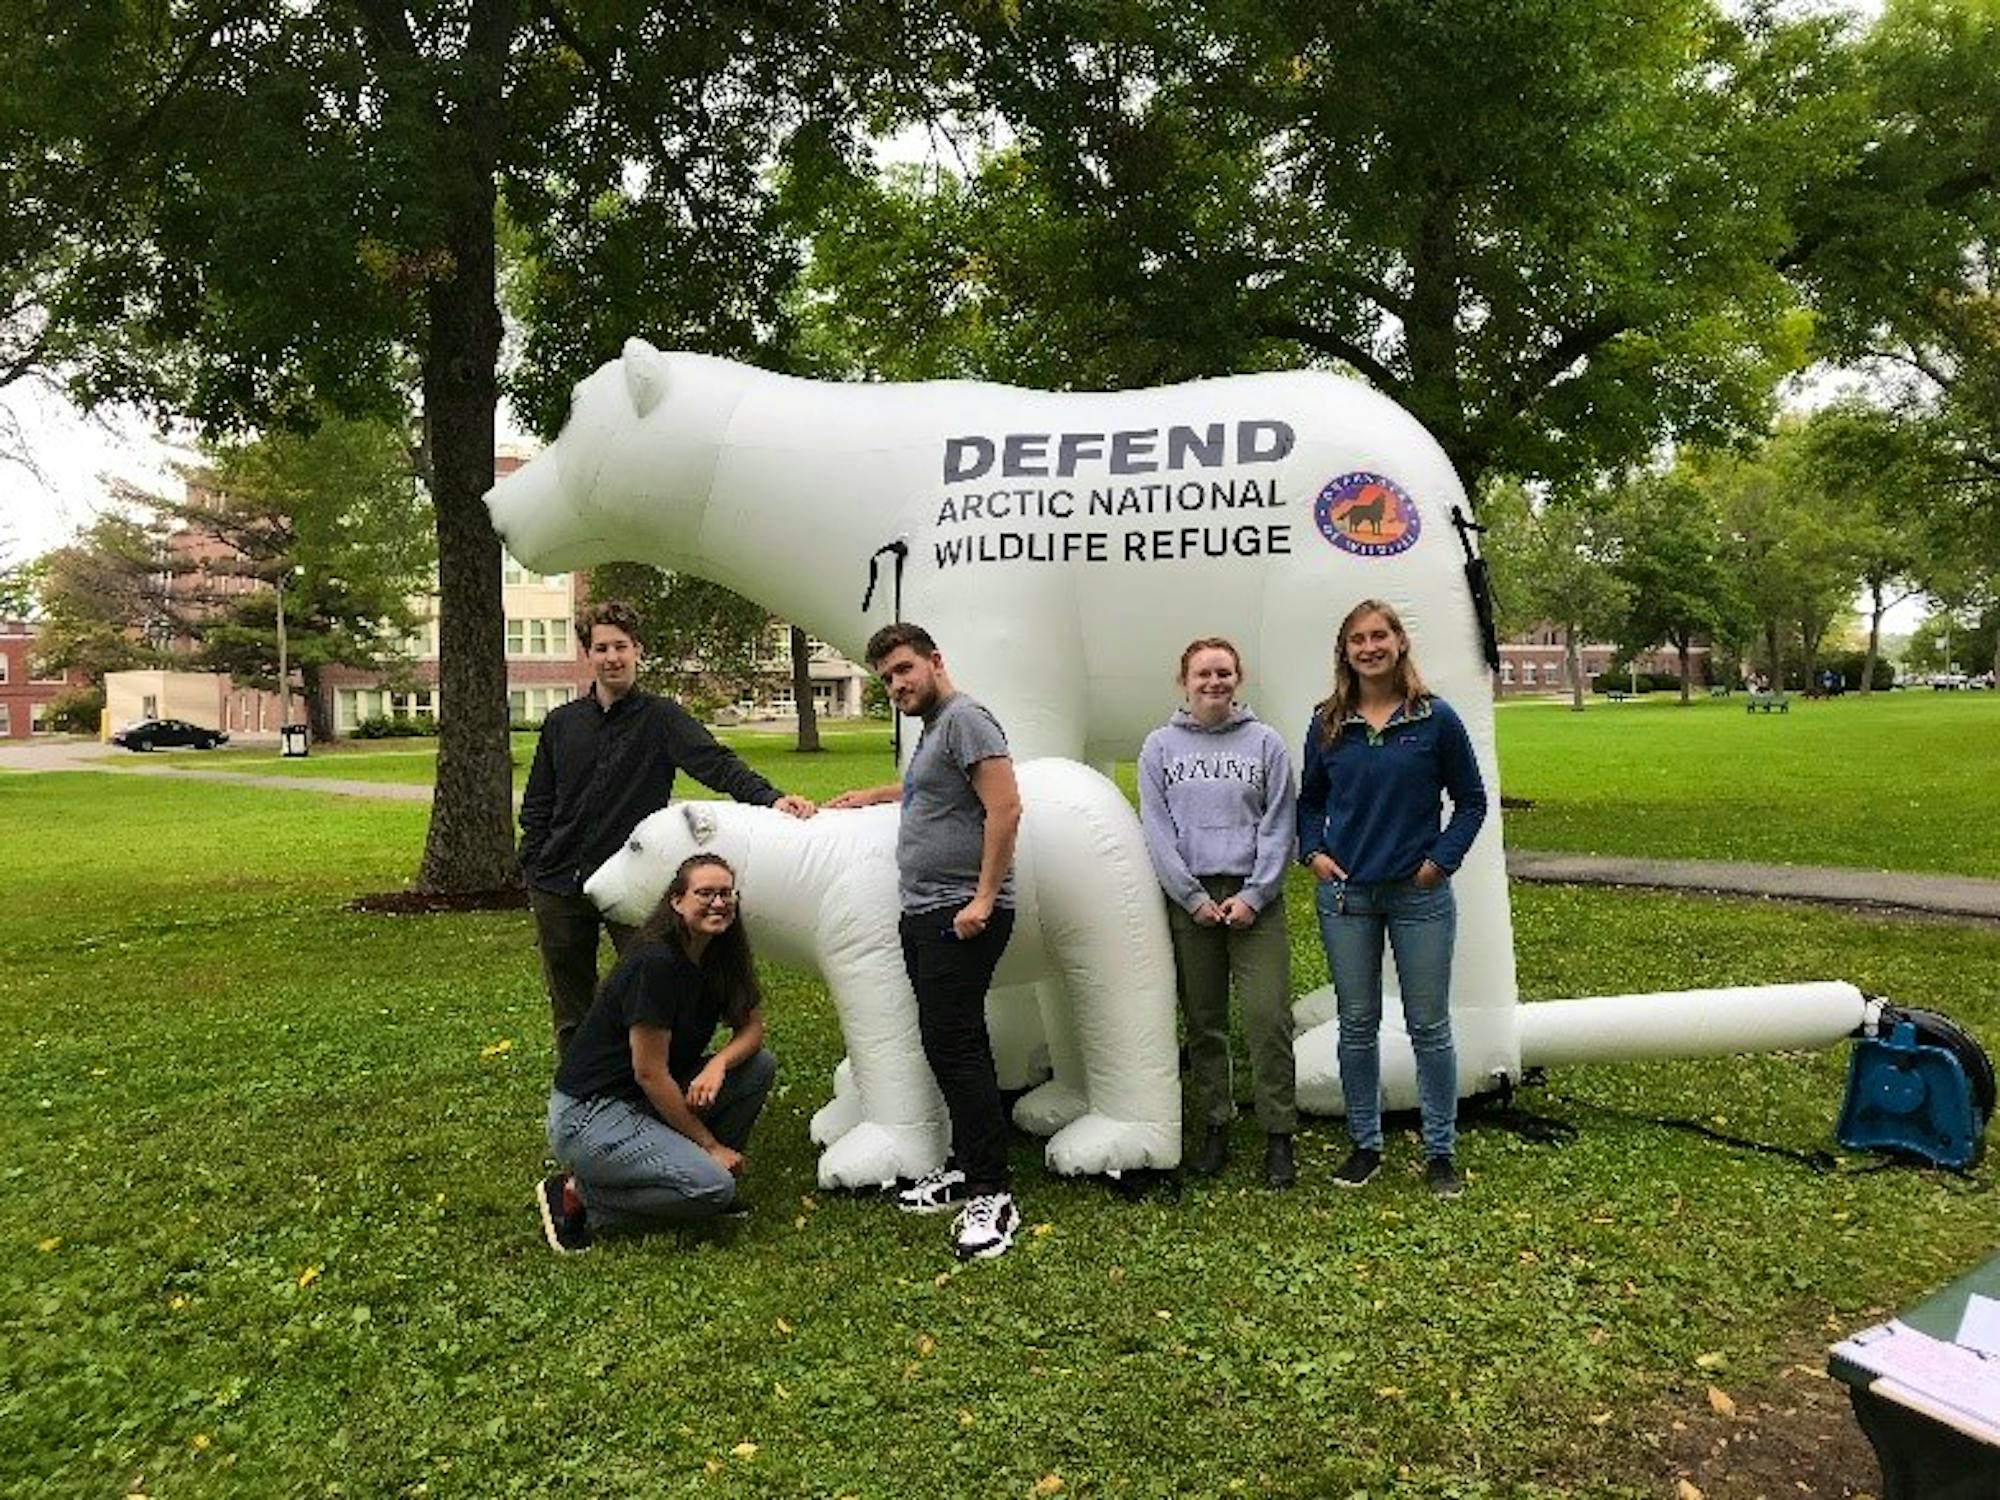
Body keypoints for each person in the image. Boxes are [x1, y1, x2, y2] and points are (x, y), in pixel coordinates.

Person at [520, 599, 814, 1062]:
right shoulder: (562, 723)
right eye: (601, 648)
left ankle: (660, 1086)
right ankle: (581, 1097)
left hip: (628, 882)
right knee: (571, 1008)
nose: (612, 656)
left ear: (637, 650)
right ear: (588, 654)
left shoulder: (661, 718)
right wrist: (532, 862)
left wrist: (771, 798)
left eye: (621, 646)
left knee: (650, 994)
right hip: (558, 883)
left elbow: (716, 764)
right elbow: (538, 800)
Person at [827, 623, 1024, 1261]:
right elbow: (939, 793)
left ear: (936, 662)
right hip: (926, 910)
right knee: (945, 1039)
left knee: (956, 1041)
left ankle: (992, 1189)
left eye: (905, 670)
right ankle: (970, 1166)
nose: (897, 685)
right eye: (886, 679)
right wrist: (879, 796)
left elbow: (1005, 807)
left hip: (959, 912)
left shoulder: (966, 718)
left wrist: (984, 899)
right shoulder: (936, 730)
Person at [1297, 599, 1487, 1200]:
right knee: (1357, 1025)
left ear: (1400, 643)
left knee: (1429, 1026)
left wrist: (1439, 863)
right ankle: (1365, 1144)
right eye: (1358, 638)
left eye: (1380, 635)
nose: (1369, 646)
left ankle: (1440, 1151)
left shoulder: (1436, 719)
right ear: (1345, 651)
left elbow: (1472, 800)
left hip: (1418, 896)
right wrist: (1313, 853)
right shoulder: (1328, 722)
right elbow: (1309, 801)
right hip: (1348, 896)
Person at [537, 852, 777, 1253]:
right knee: (712, 1190)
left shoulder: (722, 952)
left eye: (725, 893)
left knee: (756, 1067)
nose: (718, 903)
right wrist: (709, 1145)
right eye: (705, 894)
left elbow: (752, 1028)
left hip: (642, 1101)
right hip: (590, 1114)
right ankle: (579, 1197)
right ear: (677, 902)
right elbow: (650, 1073)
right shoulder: (655, 964)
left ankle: (697, 1175)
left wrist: (718, 1064)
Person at [1138, 637, 1299, 1187]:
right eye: (1203, 673)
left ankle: (1279, 1133)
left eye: (1224, 673)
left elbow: (1280, 825)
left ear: (1238, 679)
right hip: (1191, 901)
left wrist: (1255, 894)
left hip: (1258, 900)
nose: (1214, 682)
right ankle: (1215, 1124)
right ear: (1183, 680)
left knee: (1267, 1016)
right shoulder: (1159, 747)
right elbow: (1156, 829)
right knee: (1205, 1023)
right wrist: (1191, 897)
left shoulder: (1266, 743)